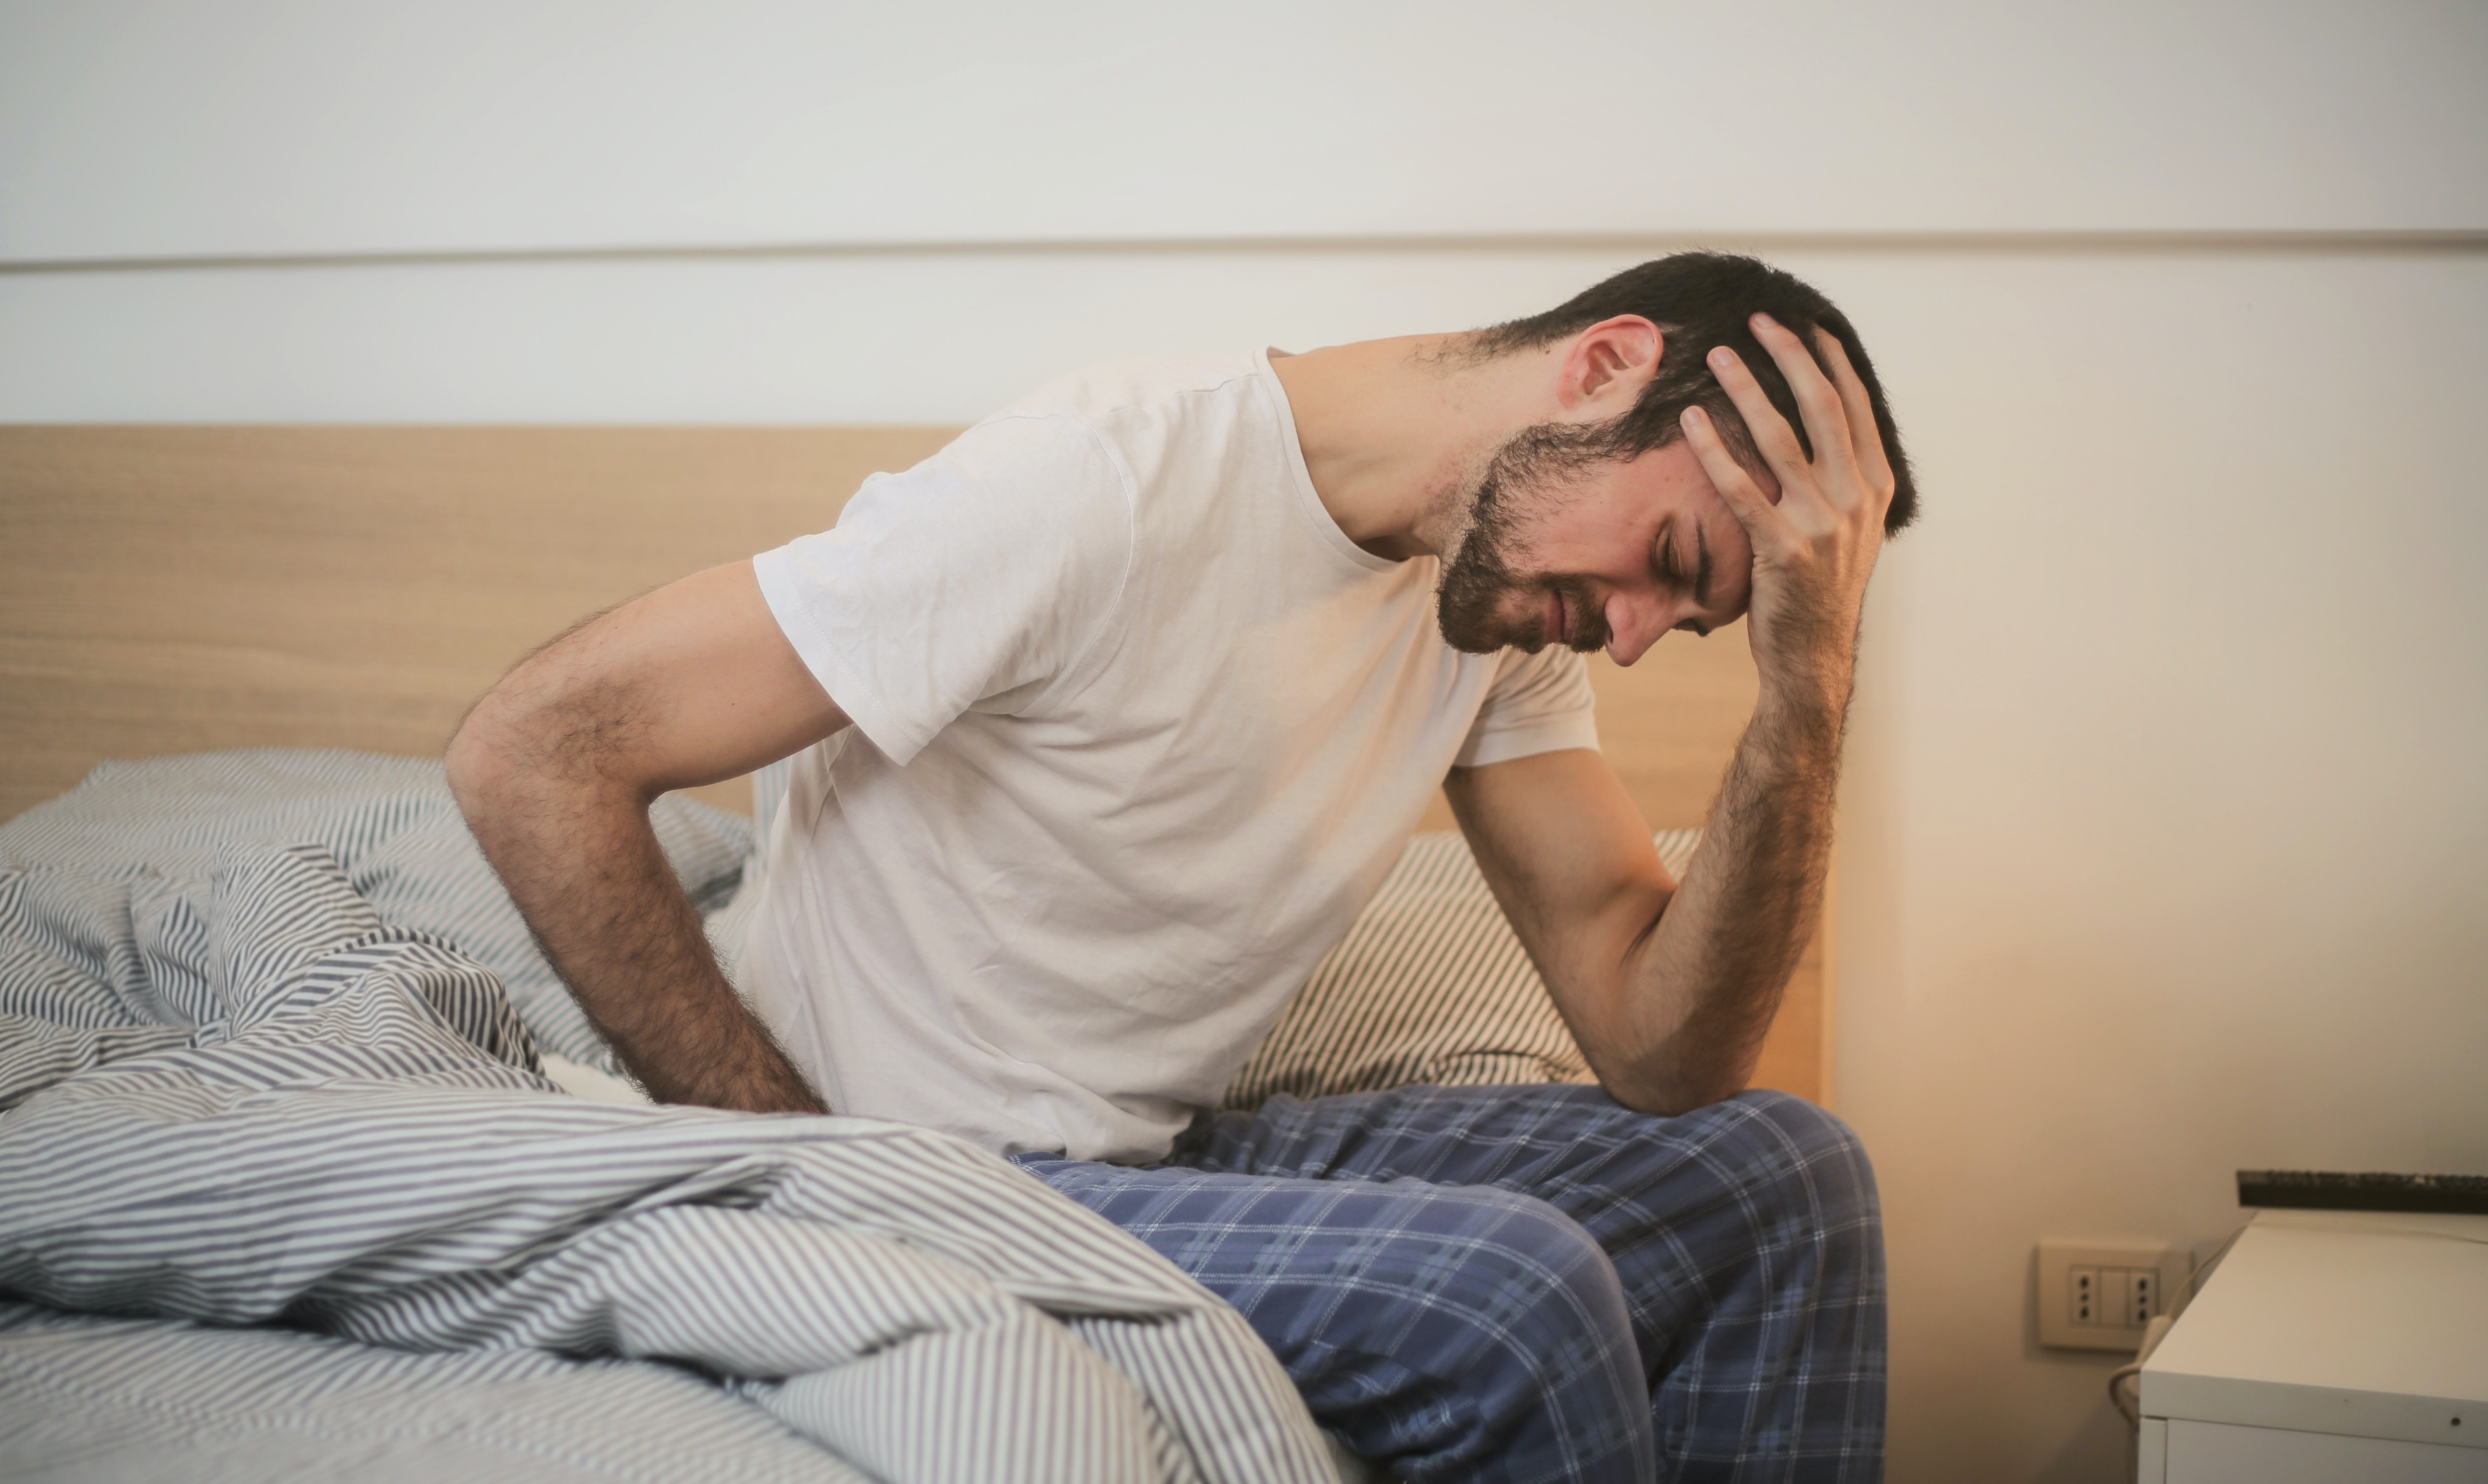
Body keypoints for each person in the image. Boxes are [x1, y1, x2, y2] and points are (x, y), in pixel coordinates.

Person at [448, 251, 1916, 1483]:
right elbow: (536, 749)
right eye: (1667, 554)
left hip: (1146, 1160)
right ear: (1603, 365)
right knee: (1511, 1298)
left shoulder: (1491, 610)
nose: (1639, 633)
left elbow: (1659, 1049)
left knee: (1782, 1176)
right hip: (930, 1164)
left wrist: (1806, 684)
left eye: (1697, 618)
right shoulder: (1100, 484)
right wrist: (807, 1161)